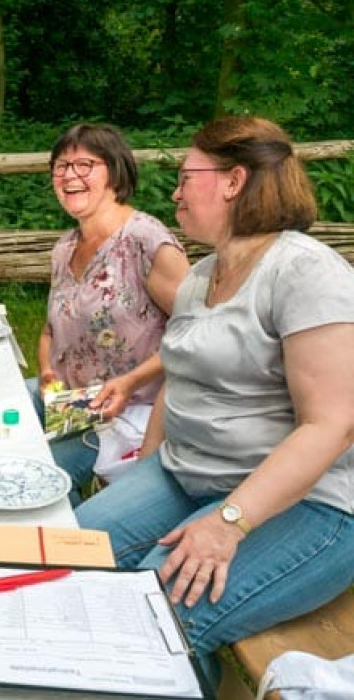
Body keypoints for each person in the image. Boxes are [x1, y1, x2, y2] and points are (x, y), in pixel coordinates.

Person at [76, 116, 354, 685]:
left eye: (186, 177)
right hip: (189, 473)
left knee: (155, 613)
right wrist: (145, 466)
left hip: (311, 502)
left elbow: (334, 424)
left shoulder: (303, 270)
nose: (175, 193)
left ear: (233, 181)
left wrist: (229, 522)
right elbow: (181, 376)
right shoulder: (203, 274)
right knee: (65, 551)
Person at [35, 124, 190, 503]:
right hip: (71, 404)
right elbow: (49, 330)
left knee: (41, 476)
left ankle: (66, 548)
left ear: (115, 171)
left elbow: (196, 336)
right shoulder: (65, 247)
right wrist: (45, 372)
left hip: (131, 413)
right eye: (61, 166)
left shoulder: (146, 242)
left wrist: (133, 381)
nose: (70, 175)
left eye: (85, 164)